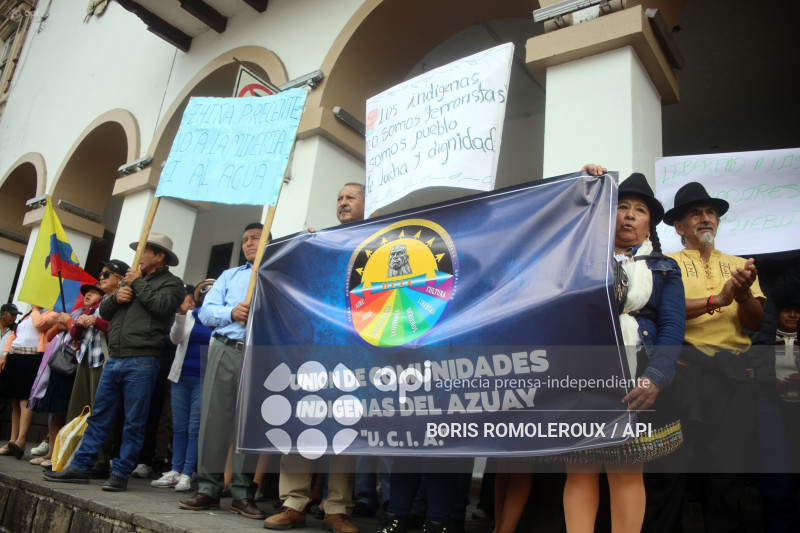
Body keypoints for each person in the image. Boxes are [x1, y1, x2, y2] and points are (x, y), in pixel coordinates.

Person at [44, 233, 184, 491]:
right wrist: (116, 297)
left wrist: (138, 284)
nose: (138, 256)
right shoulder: (130, 281)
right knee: (99, 416)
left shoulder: (172, 284)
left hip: (142, 358)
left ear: (159, 256)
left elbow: (162, 306)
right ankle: (81, 466)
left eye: (143, 250)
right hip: (116, 357)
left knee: (134, 420)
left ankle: (120, 472)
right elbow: (104, 311)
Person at [663, 182, 765, 532]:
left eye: (710, 213)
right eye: (695, 213)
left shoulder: (740, 266)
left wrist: (743, 294)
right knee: (672, 472)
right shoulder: (666, 265)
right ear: (679, 227)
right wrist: (718, 300)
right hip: (682, 377)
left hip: (734, 380)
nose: (705, 219)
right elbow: (666, 312)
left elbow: (755, 323)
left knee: (728, 471)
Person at [265, 187, 362, 533]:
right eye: (338, 198)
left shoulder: (375, 243)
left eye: (350, 197)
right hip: (312, 349)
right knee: (301, 422)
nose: (342, 202)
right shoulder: (319, 242)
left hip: (353, 352)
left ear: (366, 203)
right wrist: (302, 250)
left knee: (343, 427)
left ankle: (337, 508)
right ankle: (293, 502)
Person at [179, 223, 267, 520]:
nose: (248, 243)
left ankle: (243, 493)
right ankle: (209, 488)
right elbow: (205, 312)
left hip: (260, 354)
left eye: (255, 238)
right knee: (213, 420)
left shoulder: (276, 276)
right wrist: (231, 312)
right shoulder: (230, 276)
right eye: (244, 240)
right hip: (225, 347)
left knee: (250, 422)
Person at [28, 283, 105, 467]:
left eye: (93, 293)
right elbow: (50, 336)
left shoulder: (100, 312)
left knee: (75, 411)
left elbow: (77, 333)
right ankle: (52, 451)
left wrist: (70, 324)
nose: (88, 295)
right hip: (61, 365)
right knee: (56, 411)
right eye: (86, 293)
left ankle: (67, 453)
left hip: (80, 365)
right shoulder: (77, 311)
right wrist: (65, 322)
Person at [151, 282, 212, 492]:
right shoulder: (190, 316)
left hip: (204, 378)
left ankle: (187, 473)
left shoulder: (220, 319)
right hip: (180, 376)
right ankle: (175, 470)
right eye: (203, 293)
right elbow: (174, 339)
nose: (207, 295)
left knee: (195, 428)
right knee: (179, 426)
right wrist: (180, 315)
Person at [0, 305, 58, 459]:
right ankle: (12, 440)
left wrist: (35, 309)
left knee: (25, 399)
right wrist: (5, 353)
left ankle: (21, 439)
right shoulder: (27, 314)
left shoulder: (52, 313)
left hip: (33, 357)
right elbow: (14, 333)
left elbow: (39, 324)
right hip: (16, 355)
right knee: (14, 400)